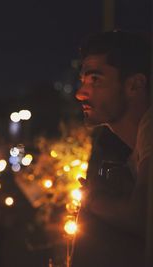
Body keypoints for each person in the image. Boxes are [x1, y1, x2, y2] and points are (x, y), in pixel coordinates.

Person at [72, 30, 152, 267]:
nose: (80, 94)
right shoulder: (135, 151)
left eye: (95, 80)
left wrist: (92, 199)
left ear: (135, 85)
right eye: (82, 80)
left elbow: (141, 217)